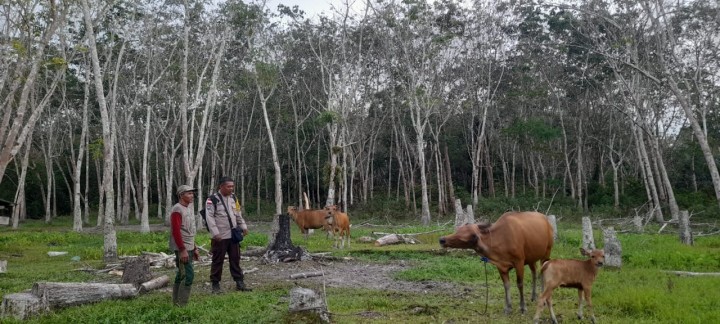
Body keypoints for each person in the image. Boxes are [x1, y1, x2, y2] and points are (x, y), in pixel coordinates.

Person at [205, 176, 251, 293]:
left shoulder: (233, 198)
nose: (231, 188)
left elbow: (238, 214)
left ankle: (239, 283)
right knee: (217, 260)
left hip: (233, 235)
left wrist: (243, 227)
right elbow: (209, 217)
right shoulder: (212, 200)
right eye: (228, 186)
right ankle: (215, 285)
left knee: (235, 259)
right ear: (221, 186)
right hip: (220, 236)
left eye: (232, 186)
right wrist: (215, 233)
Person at [169, 184, 200, 307]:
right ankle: (182, 305)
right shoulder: (177, 209)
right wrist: (182, 250)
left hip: (189, 245)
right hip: (183, 248)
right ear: (181, 195)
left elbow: (189, 231)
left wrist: (195, 247)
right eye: (189, 193)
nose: (192, 195)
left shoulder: (187, 208)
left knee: (181, 274)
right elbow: (176, 231)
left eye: (192, 193)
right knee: (188, 275)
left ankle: (176, 302)